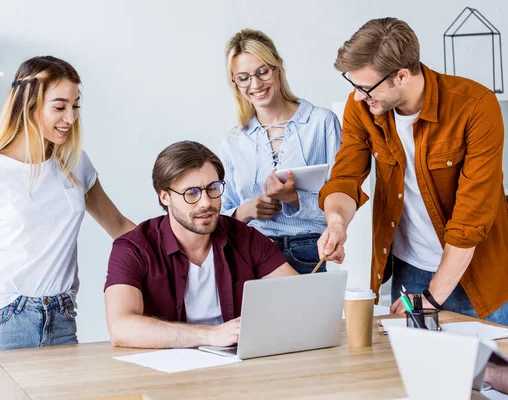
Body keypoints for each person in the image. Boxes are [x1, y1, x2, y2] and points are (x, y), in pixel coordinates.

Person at [0, 56, 136, 352]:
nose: (70, 118)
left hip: (61, 317)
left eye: (75, 106)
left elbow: (120, 227)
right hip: (4, 322)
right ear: (28, 106)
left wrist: (181, 246)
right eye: (59, 107)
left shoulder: (74, 164)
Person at [317, 17, 508, 324]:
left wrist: (431, 298)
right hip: (411, 270)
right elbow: (345, 176)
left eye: (365, 87)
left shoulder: (475, 107)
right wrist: (337, 222)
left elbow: (471, 219)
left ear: (402, 76)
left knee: (491, 370)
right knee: (412, 366)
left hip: (478, 273)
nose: (357, 96)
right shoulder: (363, 106)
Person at [104, 141, 298, 348]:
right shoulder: (133, 249)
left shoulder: (245, 238)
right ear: (165, 196)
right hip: (166, 371)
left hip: (237, 366)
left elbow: (300, 295)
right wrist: (210, 335)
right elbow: (121, 327)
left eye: (213, 189)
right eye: (192, 193)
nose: (206, 202)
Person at [219, 29, 342, 274]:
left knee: (312, 314)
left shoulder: (321, 123)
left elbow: (341, 200)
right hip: (251, 254)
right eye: (243, 77)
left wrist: (294, 200)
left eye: (262, 71)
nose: (255, 85)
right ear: (234, 82)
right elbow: (218, 216)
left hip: (309, 251)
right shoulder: (233, 142)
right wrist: (244, 212)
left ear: (279, 67)